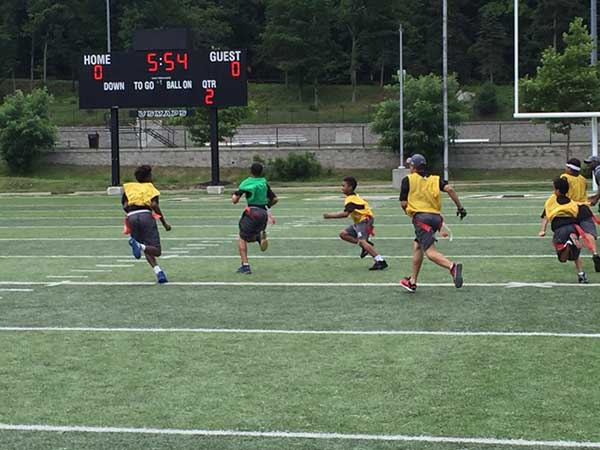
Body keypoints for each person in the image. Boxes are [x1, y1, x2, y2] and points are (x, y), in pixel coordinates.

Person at [398, 154, 466, 293]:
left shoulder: (408, 180)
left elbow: (403, 203)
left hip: (421, 218)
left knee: (430, 252)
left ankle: (452, 267)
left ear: (413, 167)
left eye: (410, 165)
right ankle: (412, 281)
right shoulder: (436, 179)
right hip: (436, 218)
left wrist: (409, 212)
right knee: (418, 246)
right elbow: (450, 189)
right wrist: (460, 207)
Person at [323, 176, 388, 270]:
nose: (342, 188)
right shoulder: (353, 197)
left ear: (350, 187)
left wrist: (329, 216)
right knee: (343, 234)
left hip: (364, 220)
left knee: (362, 241)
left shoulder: (350, 199)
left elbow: (345, 214)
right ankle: (366, 245)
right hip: (360, 221)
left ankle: (380, 261)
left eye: (343, 186)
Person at [122, 165, 171, 284]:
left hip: (131, 216)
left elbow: (125, 206)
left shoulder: (129, 188)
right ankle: (139, 246)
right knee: (156, 250)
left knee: (145, 247)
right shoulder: (151, 188)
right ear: (149, 176)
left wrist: (131, 216)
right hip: (145, 215)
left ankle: (159, 273)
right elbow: (154, 205)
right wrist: (164, 223)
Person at [539, 177, 588, 283]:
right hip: (573, 227)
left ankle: (568, 244)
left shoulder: (551, 201)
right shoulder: (572, 202)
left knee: (562, 258)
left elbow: (546, 217)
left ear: (557, 190)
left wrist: (542, 230)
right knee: (576, 254)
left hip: (560, 228)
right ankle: (581, 274)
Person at [232, 162, 278, 274]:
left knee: (242, 237)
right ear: (261, 172)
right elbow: (275, 199)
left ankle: (245, 265)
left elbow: (235, 200)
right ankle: (258, 237)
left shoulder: (247, 182)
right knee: (249, 236)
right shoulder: (263, 182)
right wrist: (268, 205)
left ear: (250, 171)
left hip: (252, 212)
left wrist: (234, 196)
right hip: (263, 213)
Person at [560, 158, 600, 272]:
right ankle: (595, 253)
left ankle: (577, 262)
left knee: (572, 234)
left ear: (569, 168)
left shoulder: (565, 177)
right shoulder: (583, 179)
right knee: (589, 233)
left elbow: (561, 193)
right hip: (584, 208)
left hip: (571, 209)